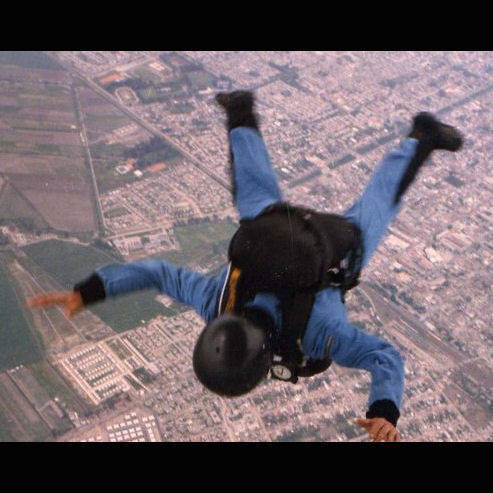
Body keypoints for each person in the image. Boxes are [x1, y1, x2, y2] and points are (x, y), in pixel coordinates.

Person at [28, 91, 463, 442]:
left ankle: (423, 135)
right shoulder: (216, 303)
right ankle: (240, 111)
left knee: (376, 206)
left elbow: (383, 357)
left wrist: (384, 411)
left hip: (330, 246)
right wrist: (89, 290)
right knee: (254, 189)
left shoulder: (318, 335)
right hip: (269, 226)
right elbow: (156, 273)